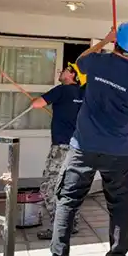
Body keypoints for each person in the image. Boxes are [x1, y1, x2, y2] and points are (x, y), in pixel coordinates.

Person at [35, 22, 128, 256]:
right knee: (119, 207)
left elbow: (79, 62)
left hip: (83, 148)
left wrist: (105, 39)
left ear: (117, 41)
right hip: (118, 152)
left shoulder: (96, 61)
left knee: (67, 202)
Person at [32, 63, 85, 241]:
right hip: (78, 148)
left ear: (72, 76)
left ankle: (59, 227)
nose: (61, 72)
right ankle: (72, 223)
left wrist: (36, 101)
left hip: (61, 147)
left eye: (65, 70)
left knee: (49, 187)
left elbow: (37, 104)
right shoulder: (83, 93)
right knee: (70, 186)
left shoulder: (62, 90)